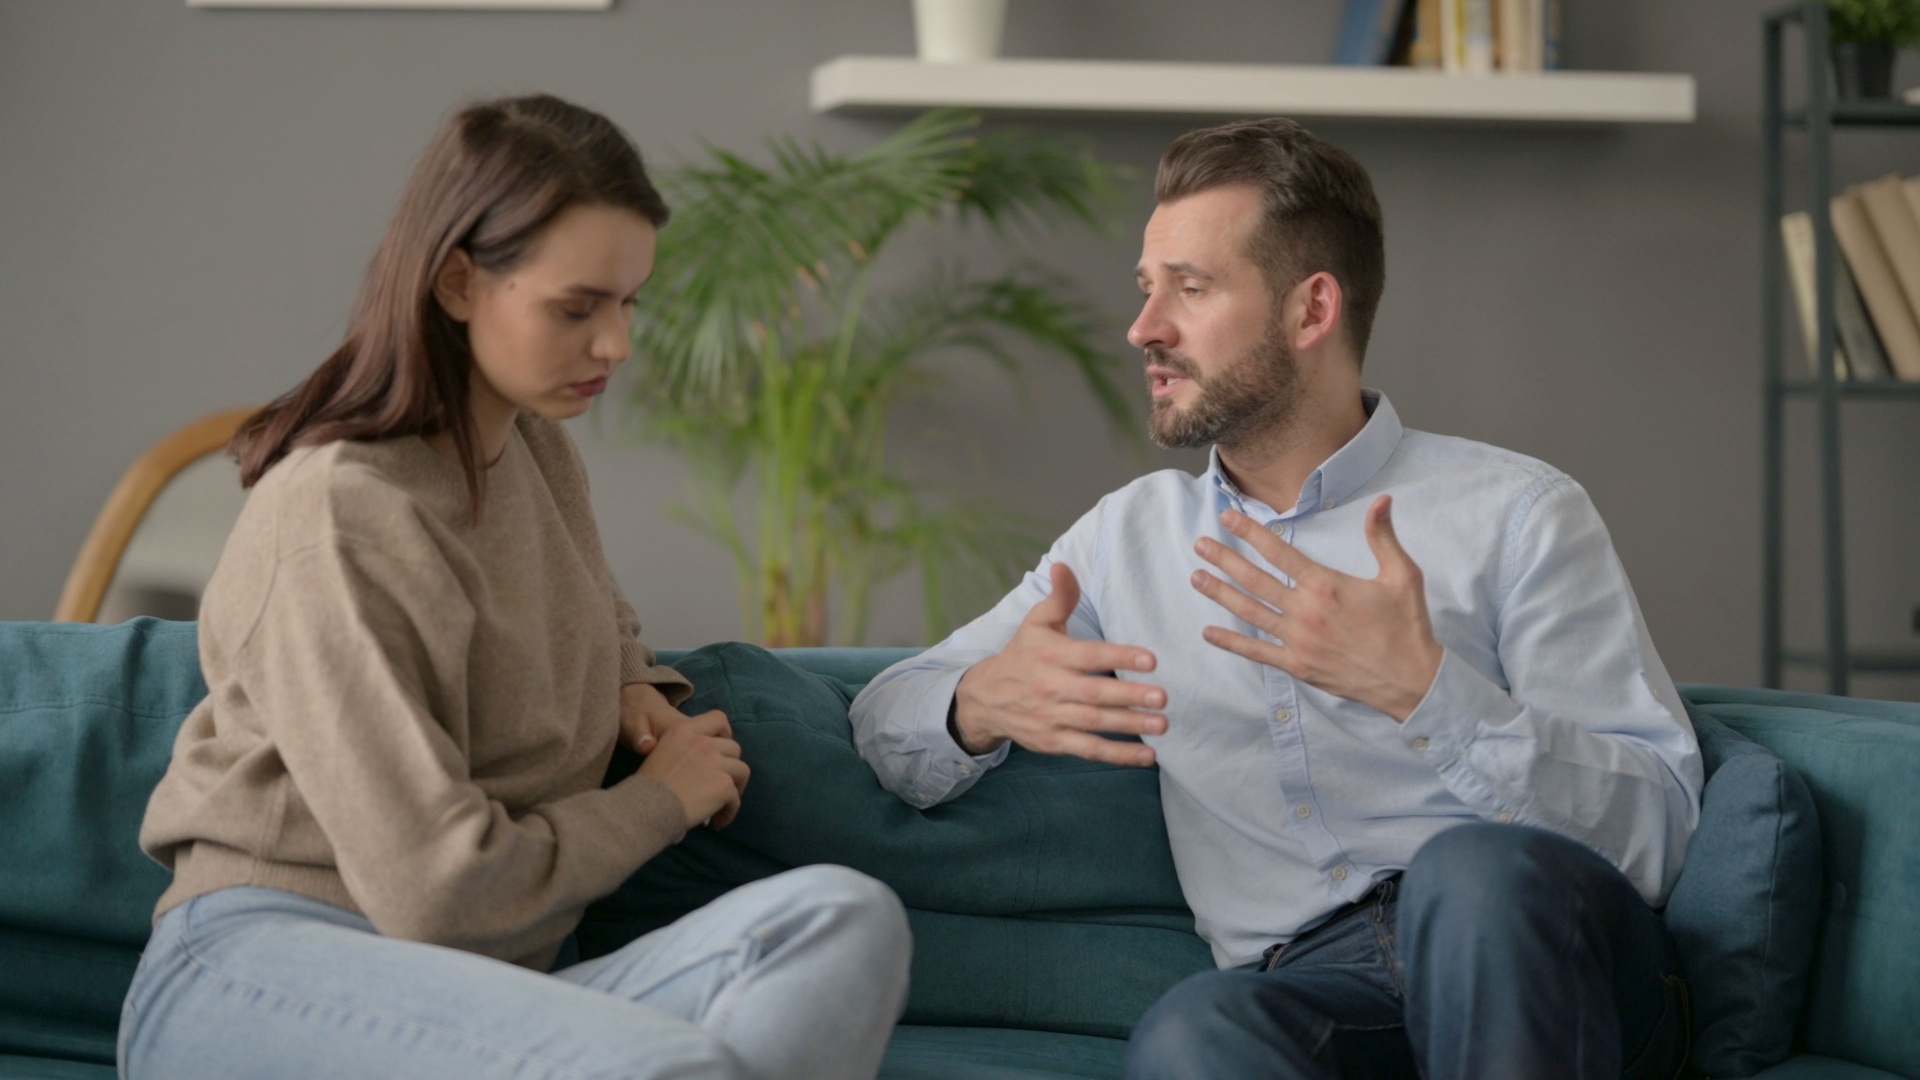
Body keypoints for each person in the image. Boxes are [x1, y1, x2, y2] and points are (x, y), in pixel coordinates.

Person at [849, 117, 1702, 1080]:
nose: (1144, 329)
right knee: (1197, 1032)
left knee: (1472, 876)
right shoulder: (1129, 541)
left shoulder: (1516, 512)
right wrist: (978, 702)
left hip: (1547, 959)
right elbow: (886, 716)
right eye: (1146, 289)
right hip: (1318, 988)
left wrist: (1428, 694)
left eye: (1192, 288)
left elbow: (1661, 832)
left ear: (1311, 311)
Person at [121, 94, 909, 1080]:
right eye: (576, 308)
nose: (617, 345)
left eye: (629, 303)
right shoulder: (338, 511)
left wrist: (632, 686)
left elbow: (594, 606)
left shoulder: (535, 449)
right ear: (457, 282)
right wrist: (658, 801)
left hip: (496, 989)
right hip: (267, 969)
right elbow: (435, 893)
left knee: (843, 918)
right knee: (669, 1067)